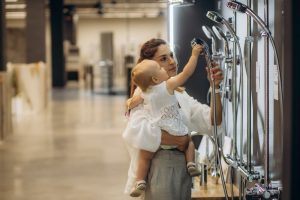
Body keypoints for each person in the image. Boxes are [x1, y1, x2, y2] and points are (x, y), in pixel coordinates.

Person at [123, 38, 223, 200]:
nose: (172, 62)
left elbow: (213, 121)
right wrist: (181, 141)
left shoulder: (180, 94)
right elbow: (136, 133)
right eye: (163, 59)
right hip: (160, 168)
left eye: (171, 56)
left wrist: (215, 87)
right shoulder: (142, 97)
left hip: (182, 170)